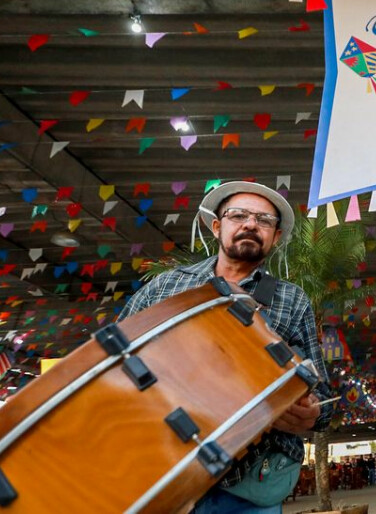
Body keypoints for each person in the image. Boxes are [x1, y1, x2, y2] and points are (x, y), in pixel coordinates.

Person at [119, 181, 333, 514]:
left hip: (247, 487)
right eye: (239, 215)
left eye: (264, 220)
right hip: (161, 474)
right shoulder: (167, 285)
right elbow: (114, 355)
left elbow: (323, 399)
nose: (251, 224)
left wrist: (312, 411)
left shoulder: (291, 300)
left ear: (275, 237)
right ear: (217, 226)